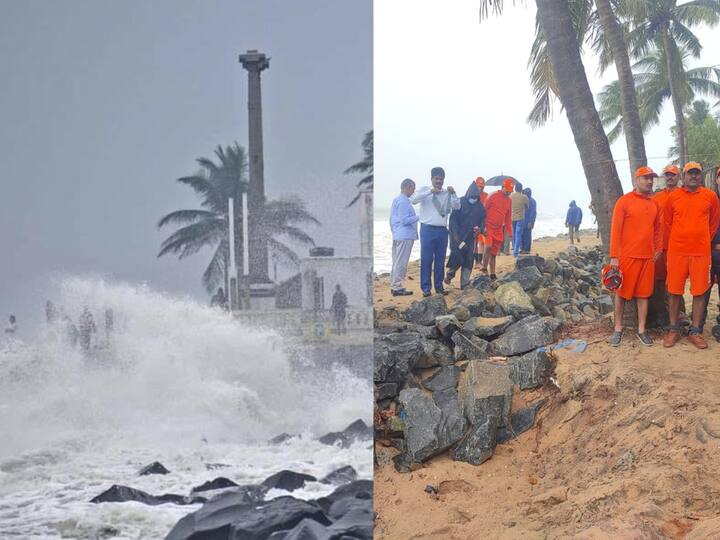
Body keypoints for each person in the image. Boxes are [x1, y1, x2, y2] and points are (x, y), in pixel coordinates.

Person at [663, 162, 720, 349]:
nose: (693, 176)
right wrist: (682, 239)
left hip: (701, 253)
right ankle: (674, 329)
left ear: (701, 175)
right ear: (683, 175)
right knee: (674, 290)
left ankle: (695, 331)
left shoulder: (710, 196)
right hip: (677, 252)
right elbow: (669, 222)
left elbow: (713, 224)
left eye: (697, 173)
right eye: (690, 173)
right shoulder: (674, 197)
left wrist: (700, 239)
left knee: (700, 291)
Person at [607, 167, 662, 347]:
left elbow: (657, 230)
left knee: (643, 295)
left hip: (647, 257)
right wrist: (614, 256)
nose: (649, 181)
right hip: (627, 257)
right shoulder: (624, 202)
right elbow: (615, 230)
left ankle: (641, 330)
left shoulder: (654, 203)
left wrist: (658, 248)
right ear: (636, 179)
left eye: (651, 179)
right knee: (621, 294)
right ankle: (617, 329)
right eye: (646, 178)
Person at [410, 166, 460, 297]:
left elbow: (457, 206)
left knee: (440, 260)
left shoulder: (447, 192)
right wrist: (430, 192)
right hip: (427, 229)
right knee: (426, 259)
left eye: (441, 179)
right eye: (436, 178)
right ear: (431, 179)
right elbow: (413, 200)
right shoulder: (425, 190)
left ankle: (439, 286)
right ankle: (426, 288)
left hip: (442, 230)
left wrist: (453, 193)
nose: (439, 181)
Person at [648, 164, 683, 328]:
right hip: (660, 247)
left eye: (673, 175)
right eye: (667, 175)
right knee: (659, 281)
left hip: (678, 247)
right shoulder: (656, 197)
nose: (670, 177)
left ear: (678, 177)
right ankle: (661, 314)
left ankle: (678, 314)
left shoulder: (684, 195)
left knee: (676, 281)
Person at [444, 181, 486, 289]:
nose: (474, 199)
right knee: (458, 257)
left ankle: (464, 283)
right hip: (458, 236)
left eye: (476, 197)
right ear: (468, 194)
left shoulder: (480, 206)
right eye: (472, 197)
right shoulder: (460, 202)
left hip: (471, 237)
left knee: (469, 259)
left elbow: (482, 220)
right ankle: (450, 274)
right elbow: (453, 222)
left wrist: (480, 229)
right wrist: (457, 238)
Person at [389, 178, 419, 296]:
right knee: (401, 262)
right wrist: (419, 216)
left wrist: (394, 232)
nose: (414, 191)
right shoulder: (404, 201)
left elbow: (391, 220)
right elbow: (405, 220)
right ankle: (396, 287)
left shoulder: (396, 200)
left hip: (398, 235)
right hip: (405, 235)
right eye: (413, 188)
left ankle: (395, 285)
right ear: (408, 188)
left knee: (396, 261)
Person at [480, 178, 514, 280]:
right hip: (488, 227)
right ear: (502, 187)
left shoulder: (509, 200)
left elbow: (508, 217)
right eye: (507, 190)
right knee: (488, 247)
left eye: (510, 191)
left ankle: (493, 273)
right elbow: (483, 211)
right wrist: (483, 226)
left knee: (494, 253)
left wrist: (510, 231)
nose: (508, 192)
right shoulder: (492, 196)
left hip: (499, 229)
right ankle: (484, 268)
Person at [700, 167, 720, 333]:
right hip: (707, 252)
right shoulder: (710, 198)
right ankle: (698, 324)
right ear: (717, 179)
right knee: (703, 288)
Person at [510, 182, 529, 257]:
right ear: (521, 189)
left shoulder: (510, 195)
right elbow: (527, 207)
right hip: (520, 218)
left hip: (512, 217)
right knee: (518, 235)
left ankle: (514, 248)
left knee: (514, 234)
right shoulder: (524, 197)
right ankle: (515, 252)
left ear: (515, 188)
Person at [474, 177, 488, 265]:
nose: (481, 188)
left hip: (483, 221)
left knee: (482, 242)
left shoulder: (486, 195)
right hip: (473, 221)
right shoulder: (472, 194)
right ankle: (476, 262)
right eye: (479, 186)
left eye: (482, 186)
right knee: (475, 241)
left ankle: (479, 261)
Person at [521, 187, 536, 254]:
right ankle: (523, 248)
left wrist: (531, 221)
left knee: (527, 235)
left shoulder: (532, 201)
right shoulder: (525, 200)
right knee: (523, 235)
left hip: (528, 221)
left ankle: (526, 249)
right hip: (523, 220)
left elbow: (533, 212)